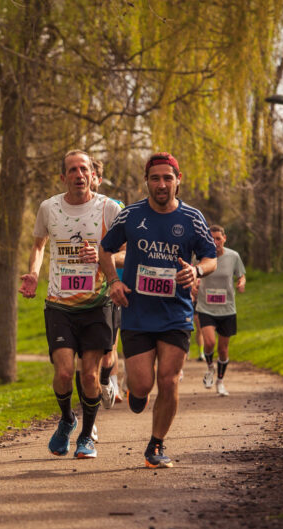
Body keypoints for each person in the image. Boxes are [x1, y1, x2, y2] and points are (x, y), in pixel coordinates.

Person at [98, 152, 217, 468]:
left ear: (178, 180)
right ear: (147, 182)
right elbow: (105, 249)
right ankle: (136, 391)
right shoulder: (131, 215)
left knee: (169, 379)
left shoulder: (192, 218)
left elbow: (210, 258)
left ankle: (156, 444)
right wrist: (113, 281)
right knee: (141, 386)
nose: (162, 184)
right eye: (155, 178)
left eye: (167, 178)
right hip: (137, 312)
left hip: (176, 312)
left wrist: (197, 271)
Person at [20, 150, 122, 459]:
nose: (79, 174)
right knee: (64, 373)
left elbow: (127, 253)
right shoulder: (48, 208)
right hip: (59, 304)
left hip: (97, 303)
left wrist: (102, 257)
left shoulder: (108, 208)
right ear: (63, 177)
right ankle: (67, 419)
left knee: (89, 375)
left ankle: (86, 437)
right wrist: (33, 273)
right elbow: (39, 245)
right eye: (73, 170)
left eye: (84, 169)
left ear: (93, 174)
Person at [195, 225, 246, 397]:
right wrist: (193, 285)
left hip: (227, 309)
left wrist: (241, 283)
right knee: (209, 343)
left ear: (224, 238)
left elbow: (241, 275)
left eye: (218, 238)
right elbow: (193, 273)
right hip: (205, 307)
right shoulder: (200, 256)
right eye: (211, 238)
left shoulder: (233, 256)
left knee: (223, 350)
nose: (215, 242)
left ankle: (220, 381)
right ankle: (210, 368)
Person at [91, 159, 125, 408]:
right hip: (79, 291)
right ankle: (95, 389)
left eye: (92, 174)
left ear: (99, 179)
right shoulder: (64, 209)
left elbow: (126, 250)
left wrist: (104, 262)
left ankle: (110, 381)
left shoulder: (115, 208)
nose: (86, 178)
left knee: (110, 344)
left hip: (112, 285)